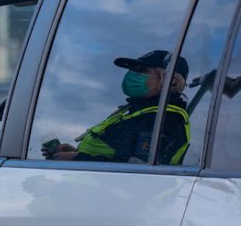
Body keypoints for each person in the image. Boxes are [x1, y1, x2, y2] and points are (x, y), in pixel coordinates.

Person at [43, 50, 190, 165]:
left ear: (171, 81)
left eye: (142, 70)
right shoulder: (138, 112)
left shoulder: (164, 119)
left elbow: (137, 170)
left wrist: (78, 159)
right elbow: (117, 157)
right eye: (132, 69)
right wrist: (75, 153)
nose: (132, 74)